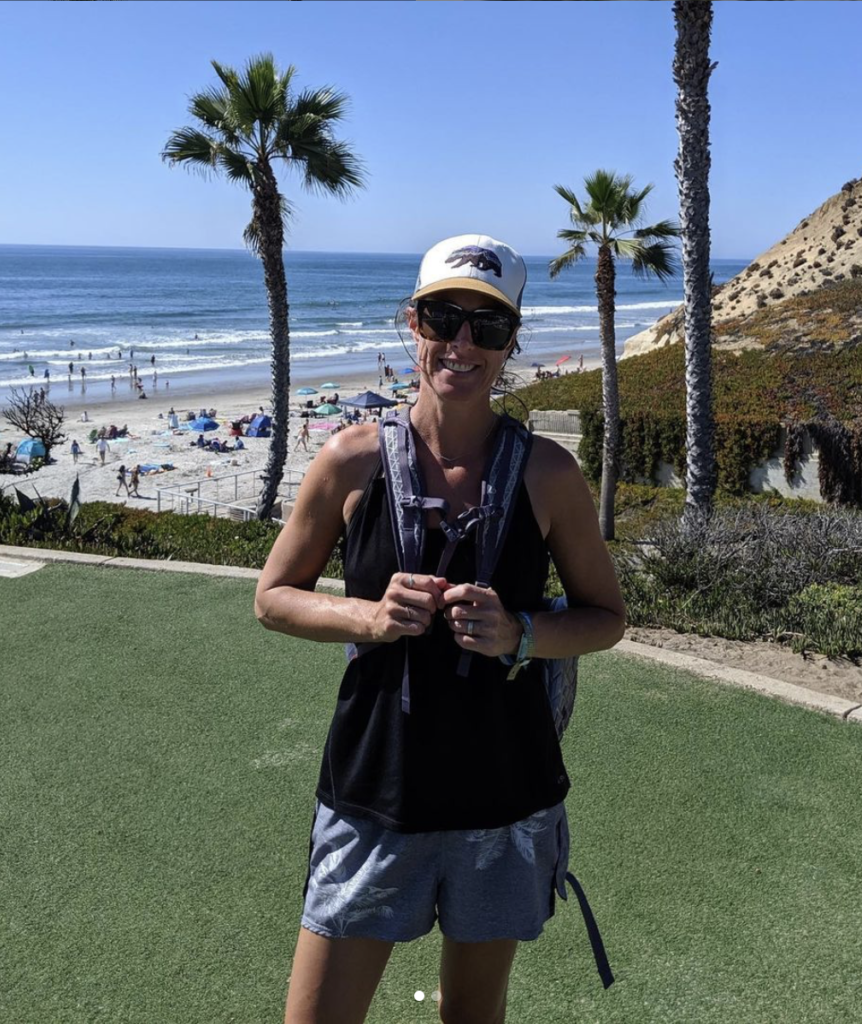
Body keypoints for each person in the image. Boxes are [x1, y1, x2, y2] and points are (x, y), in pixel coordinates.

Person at [255, 233, 627, 1023]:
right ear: (413, 323)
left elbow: (607, 618)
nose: (462, 343)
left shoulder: (550, 474)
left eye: (487, 327)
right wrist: (370, 616)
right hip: (374, 788)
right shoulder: (350, 459)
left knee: (473, 1015)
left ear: (509, 343)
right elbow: (274, 597)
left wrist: (519, 631)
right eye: (443, 318)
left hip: (505, 794)